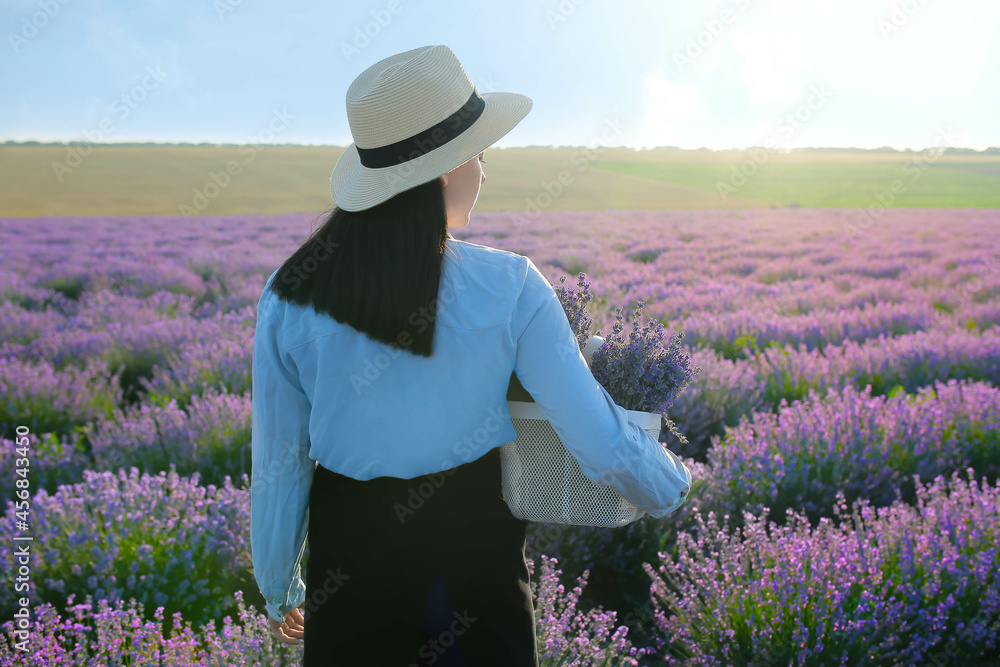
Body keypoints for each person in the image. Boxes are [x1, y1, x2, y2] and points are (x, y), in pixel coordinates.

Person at [249, 44, 692, 666]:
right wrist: (669, 484)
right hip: (473, 553)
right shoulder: (510, 285)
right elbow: (594, 435)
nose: (485, 171)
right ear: (443, 171)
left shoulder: (290, 293)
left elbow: (279, 461)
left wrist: (278, 583)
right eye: (479, 156)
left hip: (350, 554)